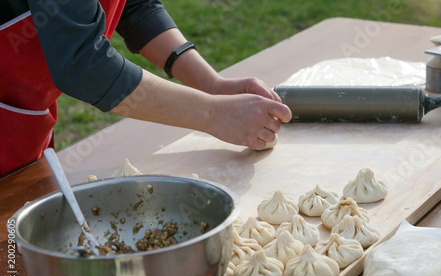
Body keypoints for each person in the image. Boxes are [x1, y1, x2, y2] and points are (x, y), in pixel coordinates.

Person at [0, 0, 291, 178]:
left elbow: (133, 6)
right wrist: (212, 114)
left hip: (20, 118)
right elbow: (83, 65)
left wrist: (212, 85)